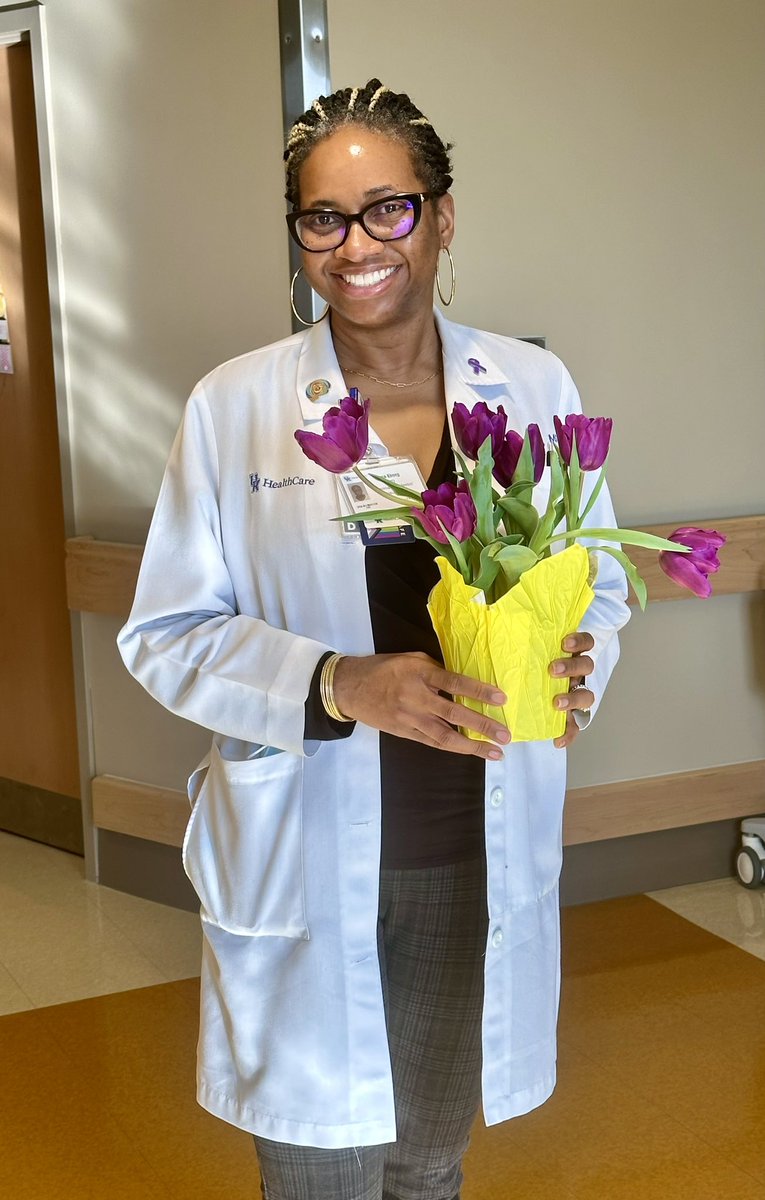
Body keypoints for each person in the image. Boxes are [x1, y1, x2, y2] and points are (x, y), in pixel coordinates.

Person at [118, 79, 630, 1200]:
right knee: (320, 1174)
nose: (356, 244)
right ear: (300, 237)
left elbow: (597, 576)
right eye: (323, 217)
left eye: (388, 208)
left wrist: (579, 656)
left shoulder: (532, 386)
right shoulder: (236, 407)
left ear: (443, 216)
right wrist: (340, 683)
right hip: (310, 849)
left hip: (473, 854)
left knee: (430, 1161)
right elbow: (165, 634)